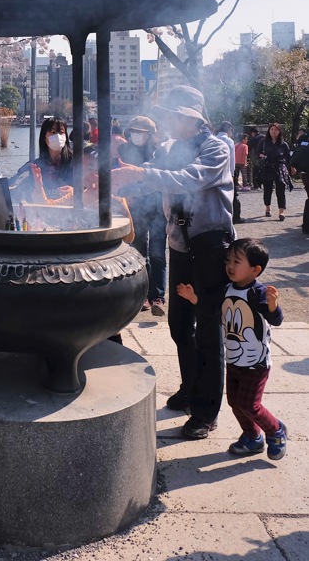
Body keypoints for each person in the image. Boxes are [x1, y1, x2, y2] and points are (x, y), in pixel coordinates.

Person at [112, 85, 234, 440]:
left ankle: (207, 410)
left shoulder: (216, 147)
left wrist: (142, 175)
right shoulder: (168, 148)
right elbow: (149, 175)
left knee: (209, 329)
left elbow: (189, 180)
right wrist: (116, 184)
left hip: (210, 245)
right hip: (179, 245)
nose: (169, 120)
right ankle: (190, 388)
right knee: (180, 325)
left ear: (192, 118)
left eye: (174, 114)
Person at [176, 237, 287, 460]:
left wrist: (273, 306)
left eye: (237, 261)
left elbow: (276, 319)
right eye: (228, 260)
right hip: (234, 359)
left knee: (250, 404)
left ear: (255, 270)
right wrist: (193, 297)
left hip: (256, 362)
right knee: (235, 402)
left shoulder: (259, 293)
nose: (230, 266)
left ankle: (275, 430)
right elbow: (211, 309)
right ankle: (252, 436)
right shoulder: (227, 289)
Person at [118, 116, 166, 316]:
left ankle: (158, 296)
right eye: (134, 131)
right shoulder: (123, 150)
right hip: (136, 206)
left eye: (141, 131)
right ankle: (143, 294)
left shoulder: (160, 151)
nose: (137, 135)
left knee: (157, 252)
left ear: (150, 133)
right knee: (139, 251)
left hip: (158, 205)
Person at [10, 117, 74, 202]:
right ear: (44, 137)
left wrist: (75, 192)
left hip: (71, 213)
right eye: (53, 132)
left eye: (61, 132)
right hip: (42, 212)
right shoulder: (34, 166)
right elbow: (18, 189)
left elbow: (91, 188)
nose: (58, 136)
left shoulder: (76, 162)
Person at [259, 123, 292, 221]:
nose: (274, 132)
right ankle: (267, 208)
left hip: (280, 167)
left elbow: (288, 156)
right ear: (269, 131)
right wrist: (261, 156)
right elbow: (257, 152)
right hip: (267, 167)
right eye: (272, 129)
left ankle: (281, 212)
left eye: (276, 130)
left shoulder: (283, 143)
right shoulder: (263, 142)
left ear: (279, 131)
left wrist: (290, 167)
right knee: (267, 189)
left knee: (280, 190)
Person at [216, 121, 240, 224]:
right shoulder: (229, 141)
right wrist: (232, 173)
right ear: (229, 130)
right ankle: (234, 218)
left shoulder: (213, 139)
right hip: (226, 173)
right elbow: (231, 160)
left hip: (215, 173)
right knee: (232, 196)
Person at [289, 129, 309, 232]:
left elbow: (297, 154)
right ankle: (306, 226)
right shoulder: (305, 138)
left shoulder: (304, 138)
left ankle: (306, 226)